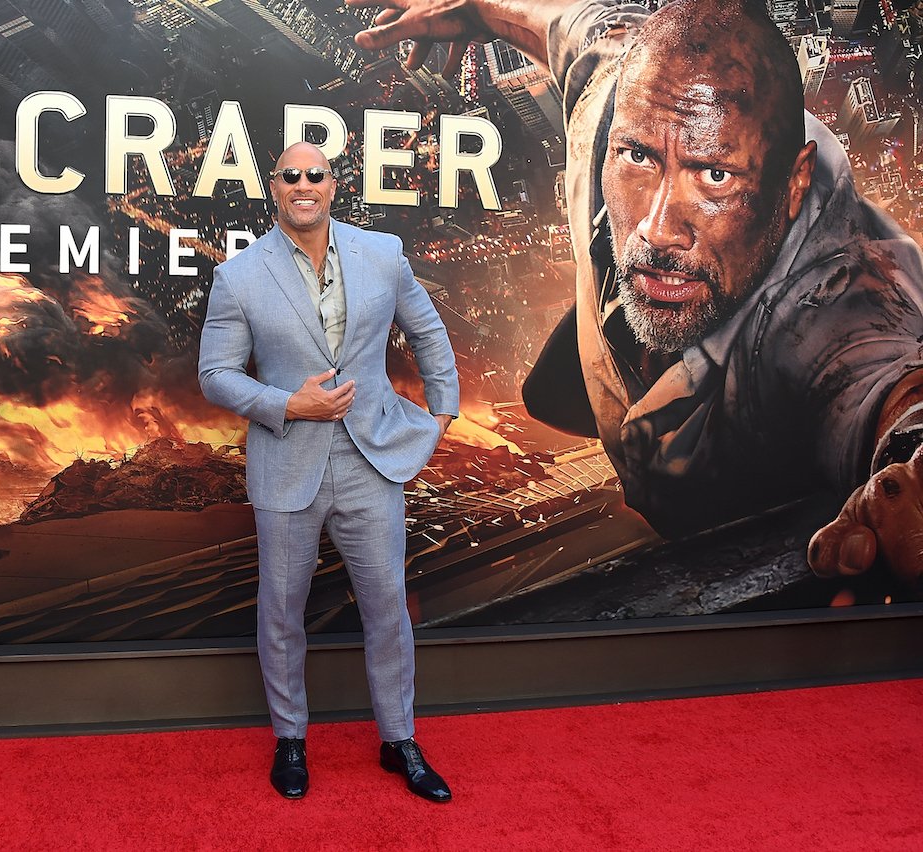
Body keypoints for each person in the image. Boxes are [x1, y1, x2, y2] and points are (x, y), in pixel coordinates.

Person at [348, 0, 923, 584]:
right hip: (635, 362)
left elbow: (883, 380)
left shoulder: (834, 301)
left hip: (725, 512)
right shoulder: (624, 96)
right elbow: (568, 29)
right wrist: (476, 8)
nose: (656, 227)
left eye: (715, 175)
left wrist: (909, 455)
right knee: (547, 392)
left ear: (795, 183)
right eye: (639, 156)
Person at [198, 142, 460, 801]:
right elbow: (216, 374)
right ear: (275, 187)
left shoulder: (383, 253)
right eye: (291, 175)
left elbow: (428, 331)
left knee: (387, 608)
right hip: (288, 459)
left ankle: (399, 740)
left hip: (373, 458)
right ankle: (290, 739)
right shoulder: (239, 275)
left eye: (315, 174)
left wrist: (443, 412)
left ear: (332, 186)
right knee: (282, 611)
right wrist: (289, 404)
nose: (304, 184)